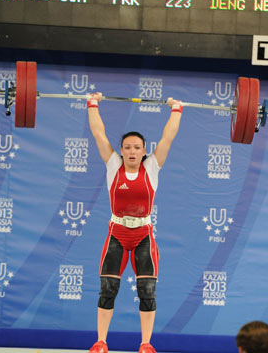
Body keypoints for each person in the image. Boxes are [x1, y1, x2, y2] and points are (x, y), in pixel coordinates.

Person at [86, 92, 183, 353]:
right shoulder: (113, 165)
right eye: (127, 147)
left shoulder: (151, 167)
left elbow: (168, 137)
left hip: (143, 235)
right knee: (108, 289)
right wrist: (92, 103)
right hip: (117, 233)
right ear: (121, 150)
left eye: (136, 147)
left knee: (147, 290)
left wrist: (176, 109)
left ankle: (145, 344)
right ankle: (101, 342)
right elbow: (98, 134)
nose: (131, 151)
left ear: (144, 151)